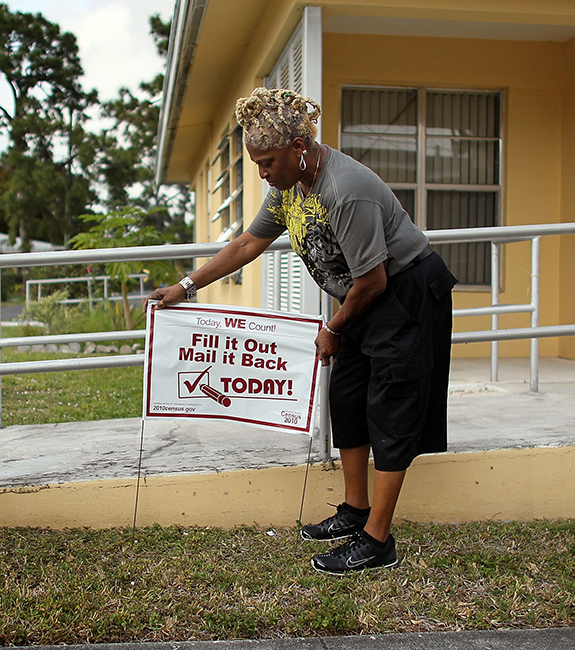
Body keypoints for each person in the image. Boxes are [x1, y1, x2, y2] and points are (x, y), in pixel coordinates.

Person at [147, 87, 456, 575]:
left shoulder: (344, 188)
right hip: (359, 301)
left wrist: (332, 328)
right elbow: (249, 241)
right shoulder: (288, 187)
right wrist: (185, 286)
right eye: (256, 164)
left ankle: (378, 541)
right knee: (348, 398)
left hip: (403, 294)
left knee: (391, 410)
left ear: (298, 147)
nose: (263, 173)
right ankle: (355, 512)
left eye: (268, 161)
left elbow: (373, 279)